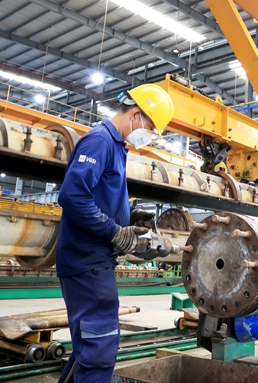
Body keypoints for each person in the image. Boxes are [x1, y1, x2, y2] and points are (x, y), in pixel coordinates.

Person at [56, 84, 175, 382]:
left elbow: (96, 198)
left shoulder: (115, 146)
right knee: (99, 345)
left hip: (95, 260)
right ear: (135, 114)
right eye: (149, 128)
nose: (147, 137)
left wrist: (130, 216)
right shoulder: (99, 141)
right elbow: (73, 196)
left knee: (91, 341)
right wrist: (116, 233)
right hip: (87, 260)